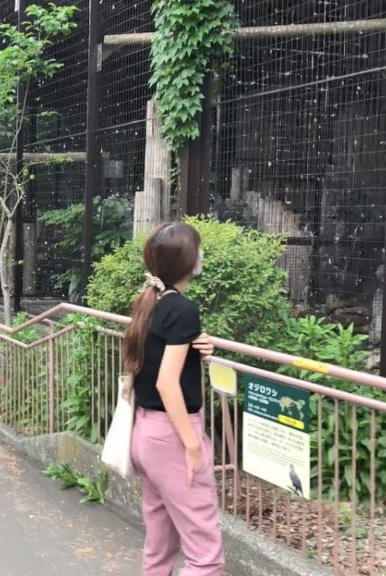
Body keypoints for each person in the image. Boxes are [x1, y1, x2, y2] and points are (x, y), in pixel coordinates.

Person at [125, 222, 223, 576]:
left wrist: (201, 345)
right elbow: (168, 382)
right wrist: (192, 445)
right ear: (187, 261)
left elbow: (156, 359)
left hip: (147, 432)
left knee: (159, 547)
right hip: (173, 437)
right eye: (198, 250)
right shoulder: (182, 310)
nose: (201, 256)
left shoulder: (152, 302)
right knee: (206, 557)